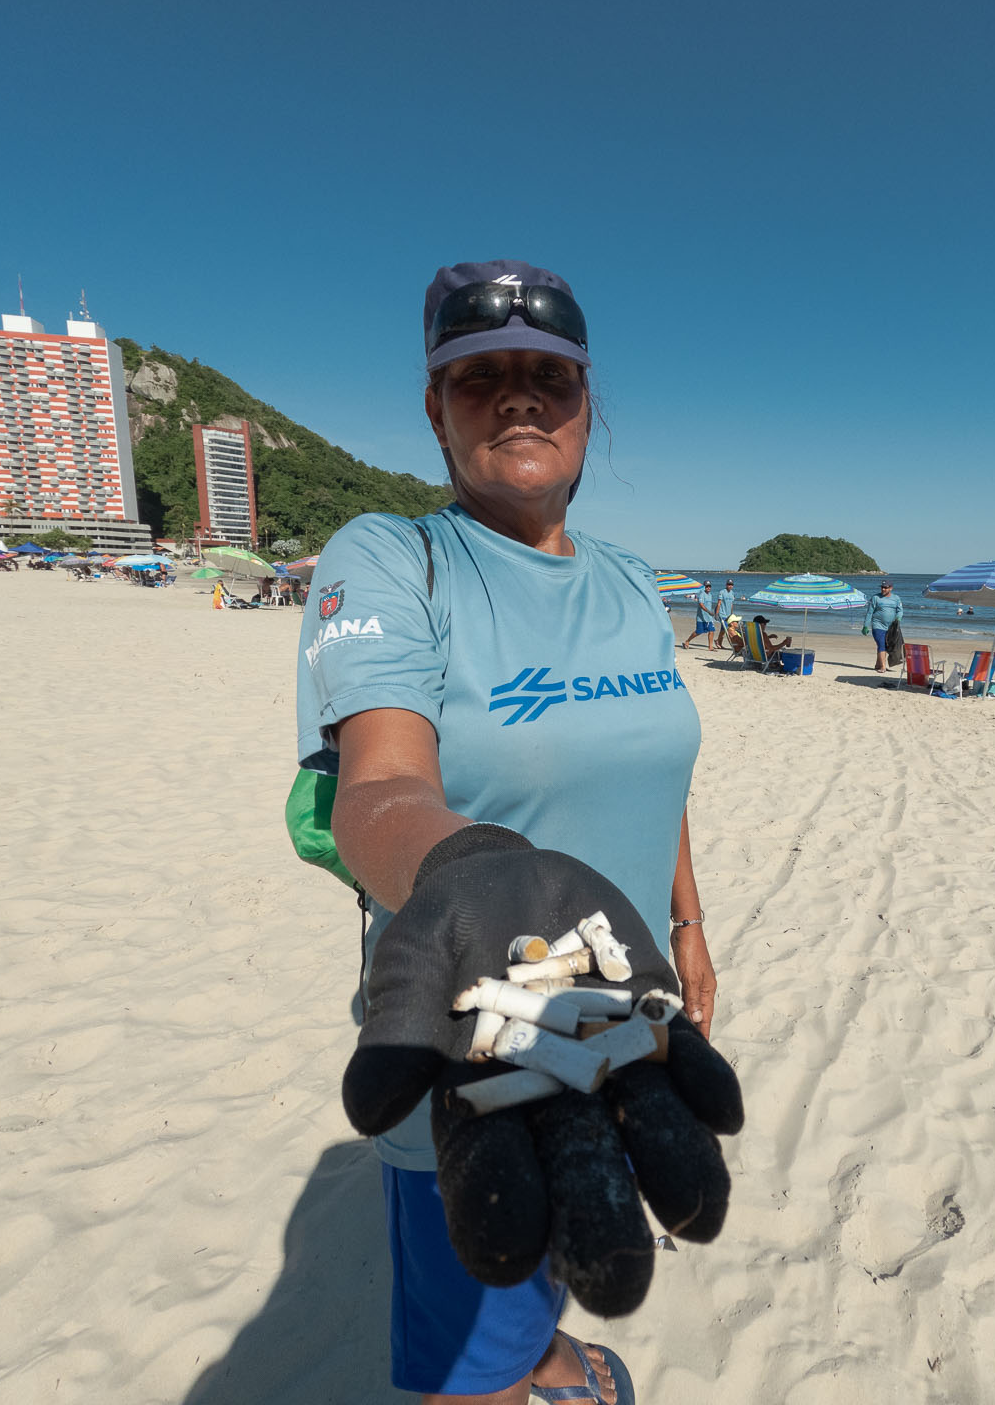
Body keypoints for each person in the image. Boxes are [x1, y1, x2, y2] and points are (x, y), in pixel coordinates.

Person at [298, 260, 722, 1404]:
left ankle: (547, 1353)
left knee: (571, 1240)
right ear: (435, 410)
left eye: (549, 376)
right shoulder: (394, 559)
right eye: (480, 377)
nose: (519, 397)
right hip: (471, 1031)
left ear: (590, 405)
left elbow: (656, 767)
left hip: (617, 1007)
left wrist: (687, 921)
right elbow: (377, 792)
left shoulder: (635, 583)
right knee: (468, 1352)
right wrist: (475, 883)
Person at [860, 580, 904, 671]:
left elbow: (900, 610)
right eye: (882, 587)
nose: (883, 589)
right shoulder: (875, 598)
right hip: (878, 625)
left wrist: (898, 618)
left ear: (891, 588)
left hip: (891, 627)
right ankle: (883, 667)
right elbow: (869, 613)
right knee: (881, 644)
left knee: (888, 646)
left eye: (886, 587)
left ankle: (878, 664)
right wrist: (865, 626)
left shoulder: (896, 598)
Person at [679, 580, 716, 649]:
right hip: (701, 617)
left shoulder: (710, 595)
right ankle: (687, 641)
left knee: (712, 630)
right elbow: (701, 605)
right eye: (707, 586)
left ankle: (710, 647)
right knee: (698, 632)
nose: (708, 588)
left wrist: (713, 613)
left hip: (709, 618)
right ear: (704, 587)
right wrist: (709, 611)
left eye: (709, 586)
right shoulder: (702, 594)